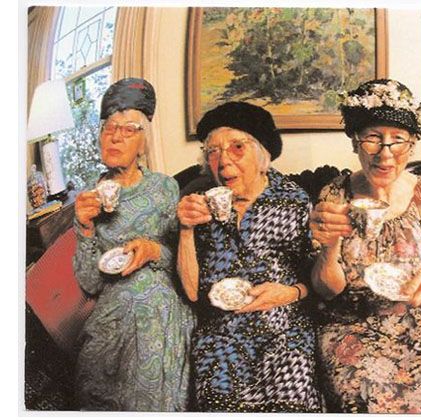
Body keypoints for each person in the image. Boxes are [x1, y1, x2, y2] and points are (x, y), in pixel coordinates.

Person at [310, 79, 421, 413]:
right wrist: (329, 246)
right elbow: (326, 290)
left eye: (398, 141)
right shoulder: (335, 196)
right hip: (351, 323)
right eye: (373, 138)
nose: (385, 153)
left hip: (419, 323)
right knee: (364, 402)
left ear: (411, 146)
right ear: (355, 142)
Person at [176, 102, 322, 412]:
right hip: (222, 334)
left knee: (291, 402)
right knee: (220, 405)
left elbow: (317, 278)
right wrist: (186, 231)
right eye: (212, 151)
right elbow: (191, 291)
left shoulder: (294, 201)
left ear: (262, 155)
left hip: (284, 328)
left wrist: (291, 292)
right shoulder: (201, 205)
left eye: (237, 147)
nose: (223, 160)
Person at [72, 78, 195, 411]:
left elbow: (184, 259)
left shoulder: (164, 188)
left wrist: (154, 250)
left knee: (150, 336)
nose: (115, 137)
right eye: (109, 128)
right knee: (96, 375)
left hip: (160, 299)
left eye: (128, 130)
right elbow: (90, 281)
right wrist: (83, 226)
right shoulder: (88, 198)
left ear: (143, 143)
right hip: (112, 308)